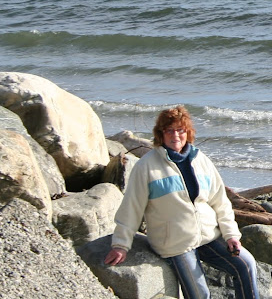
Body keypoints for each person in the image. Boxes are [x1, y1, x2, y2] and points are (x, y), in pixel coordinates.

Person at [105, 105, 260, 299]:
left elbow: (221, 202)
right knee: (200, 294)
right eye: (169, 130)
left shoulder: (200, 160)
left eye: (180, 130)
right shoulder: (147, 166)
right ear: (161, 134)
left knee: (246, 264)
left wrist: (231, 235)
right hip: (176, 242)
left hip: (208, 235)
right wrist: (120, 245)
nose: (175, 135)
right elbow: (131, 207)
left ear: (188, 132)